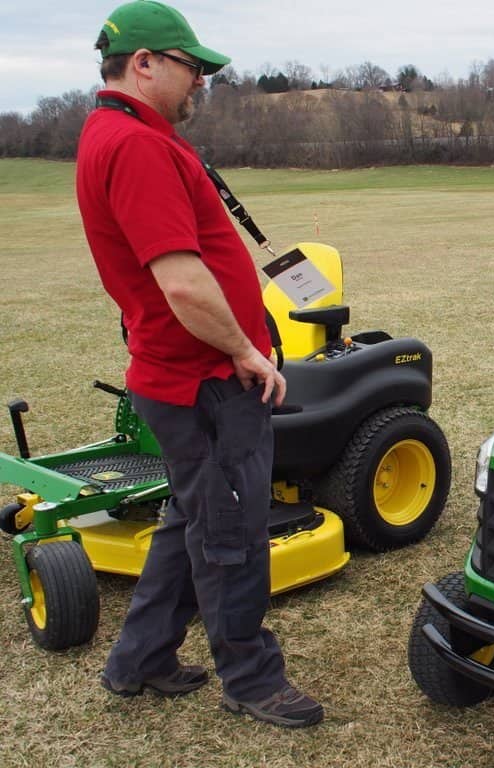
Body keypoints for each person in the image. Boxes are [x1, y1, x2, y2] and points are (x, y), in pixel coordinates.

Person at [76, 0, 323, 727]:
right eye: (194, 70)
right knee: (230, 533)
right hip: (205, 381)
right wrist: (245, 350)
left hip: (184, 375)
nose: (203, 85)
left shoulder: (120, 135)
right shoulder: (137, 147)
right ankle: (251, 679)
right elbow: (181, 281)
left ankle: (141, 659)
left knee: (195, 516)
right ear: (144, 63)